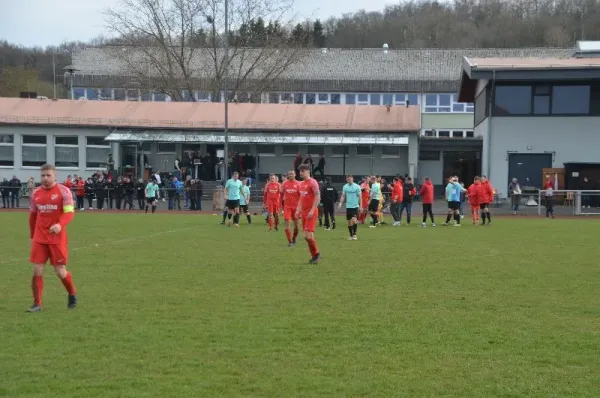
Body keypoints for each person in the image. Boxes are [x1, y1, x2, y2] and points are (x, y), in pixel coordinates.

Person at [27, 163, 77, 312]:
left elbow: (69, 213)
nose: (45, 178)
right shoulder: (35, 193)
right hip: (40, 237)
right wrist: (32, 235)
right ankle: (37, 304)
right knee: (37, 269)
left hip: (57, 237)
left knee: (60, 271)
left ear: (55, 176)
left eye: (48, 175)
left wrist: (60, 225)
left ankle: (72, 293)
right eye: (43, 175)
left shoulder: (64, 191)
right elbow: (33, 215)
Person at [296, 165, 321, 264]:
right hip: (304, 212)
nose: (301, 173)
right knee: (309, 235)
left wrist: (312, 210)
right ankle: (314, 256)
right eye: (300, 171)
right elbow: (301, 199)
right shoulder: (301, 184)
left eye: (303, 171)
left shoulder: (313, 182)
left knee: (306, 236)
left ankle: (316, 253)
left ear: (308, 171)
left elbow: (317, 197)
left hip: (311, 212)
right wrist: (298, 210)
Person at [338, 175, 362, 240]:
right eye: (348, 179)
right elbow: (343, 196)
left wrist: (361, 206)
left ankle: (354, 234)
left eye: (350, 179)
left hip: (355, 206)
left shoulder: (357, 186)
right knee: (349, 221)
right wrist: (340, 203)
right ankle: (351, 235)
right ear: (346, 180)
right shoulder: (345, 187)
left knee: (354, 220)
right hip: (348, 207)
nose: (349, 180)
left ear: (352, 179)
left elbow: (360, 197)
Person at [281, 170, 301, 246]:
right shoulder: (284, 184)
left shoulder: (299, 184)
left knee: (296, 226)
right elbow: (281, 195)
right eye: (289, 174)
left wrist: (300, 207)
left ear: (295, 174)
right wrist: (281, 206)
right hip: (287, 207)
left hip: (296, 208)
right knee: (287, 223)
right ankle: (290, 242)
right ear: (288, 175)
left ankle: (294, 238)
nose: (291, 175)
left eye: (292, 174)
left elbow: (301, 197)